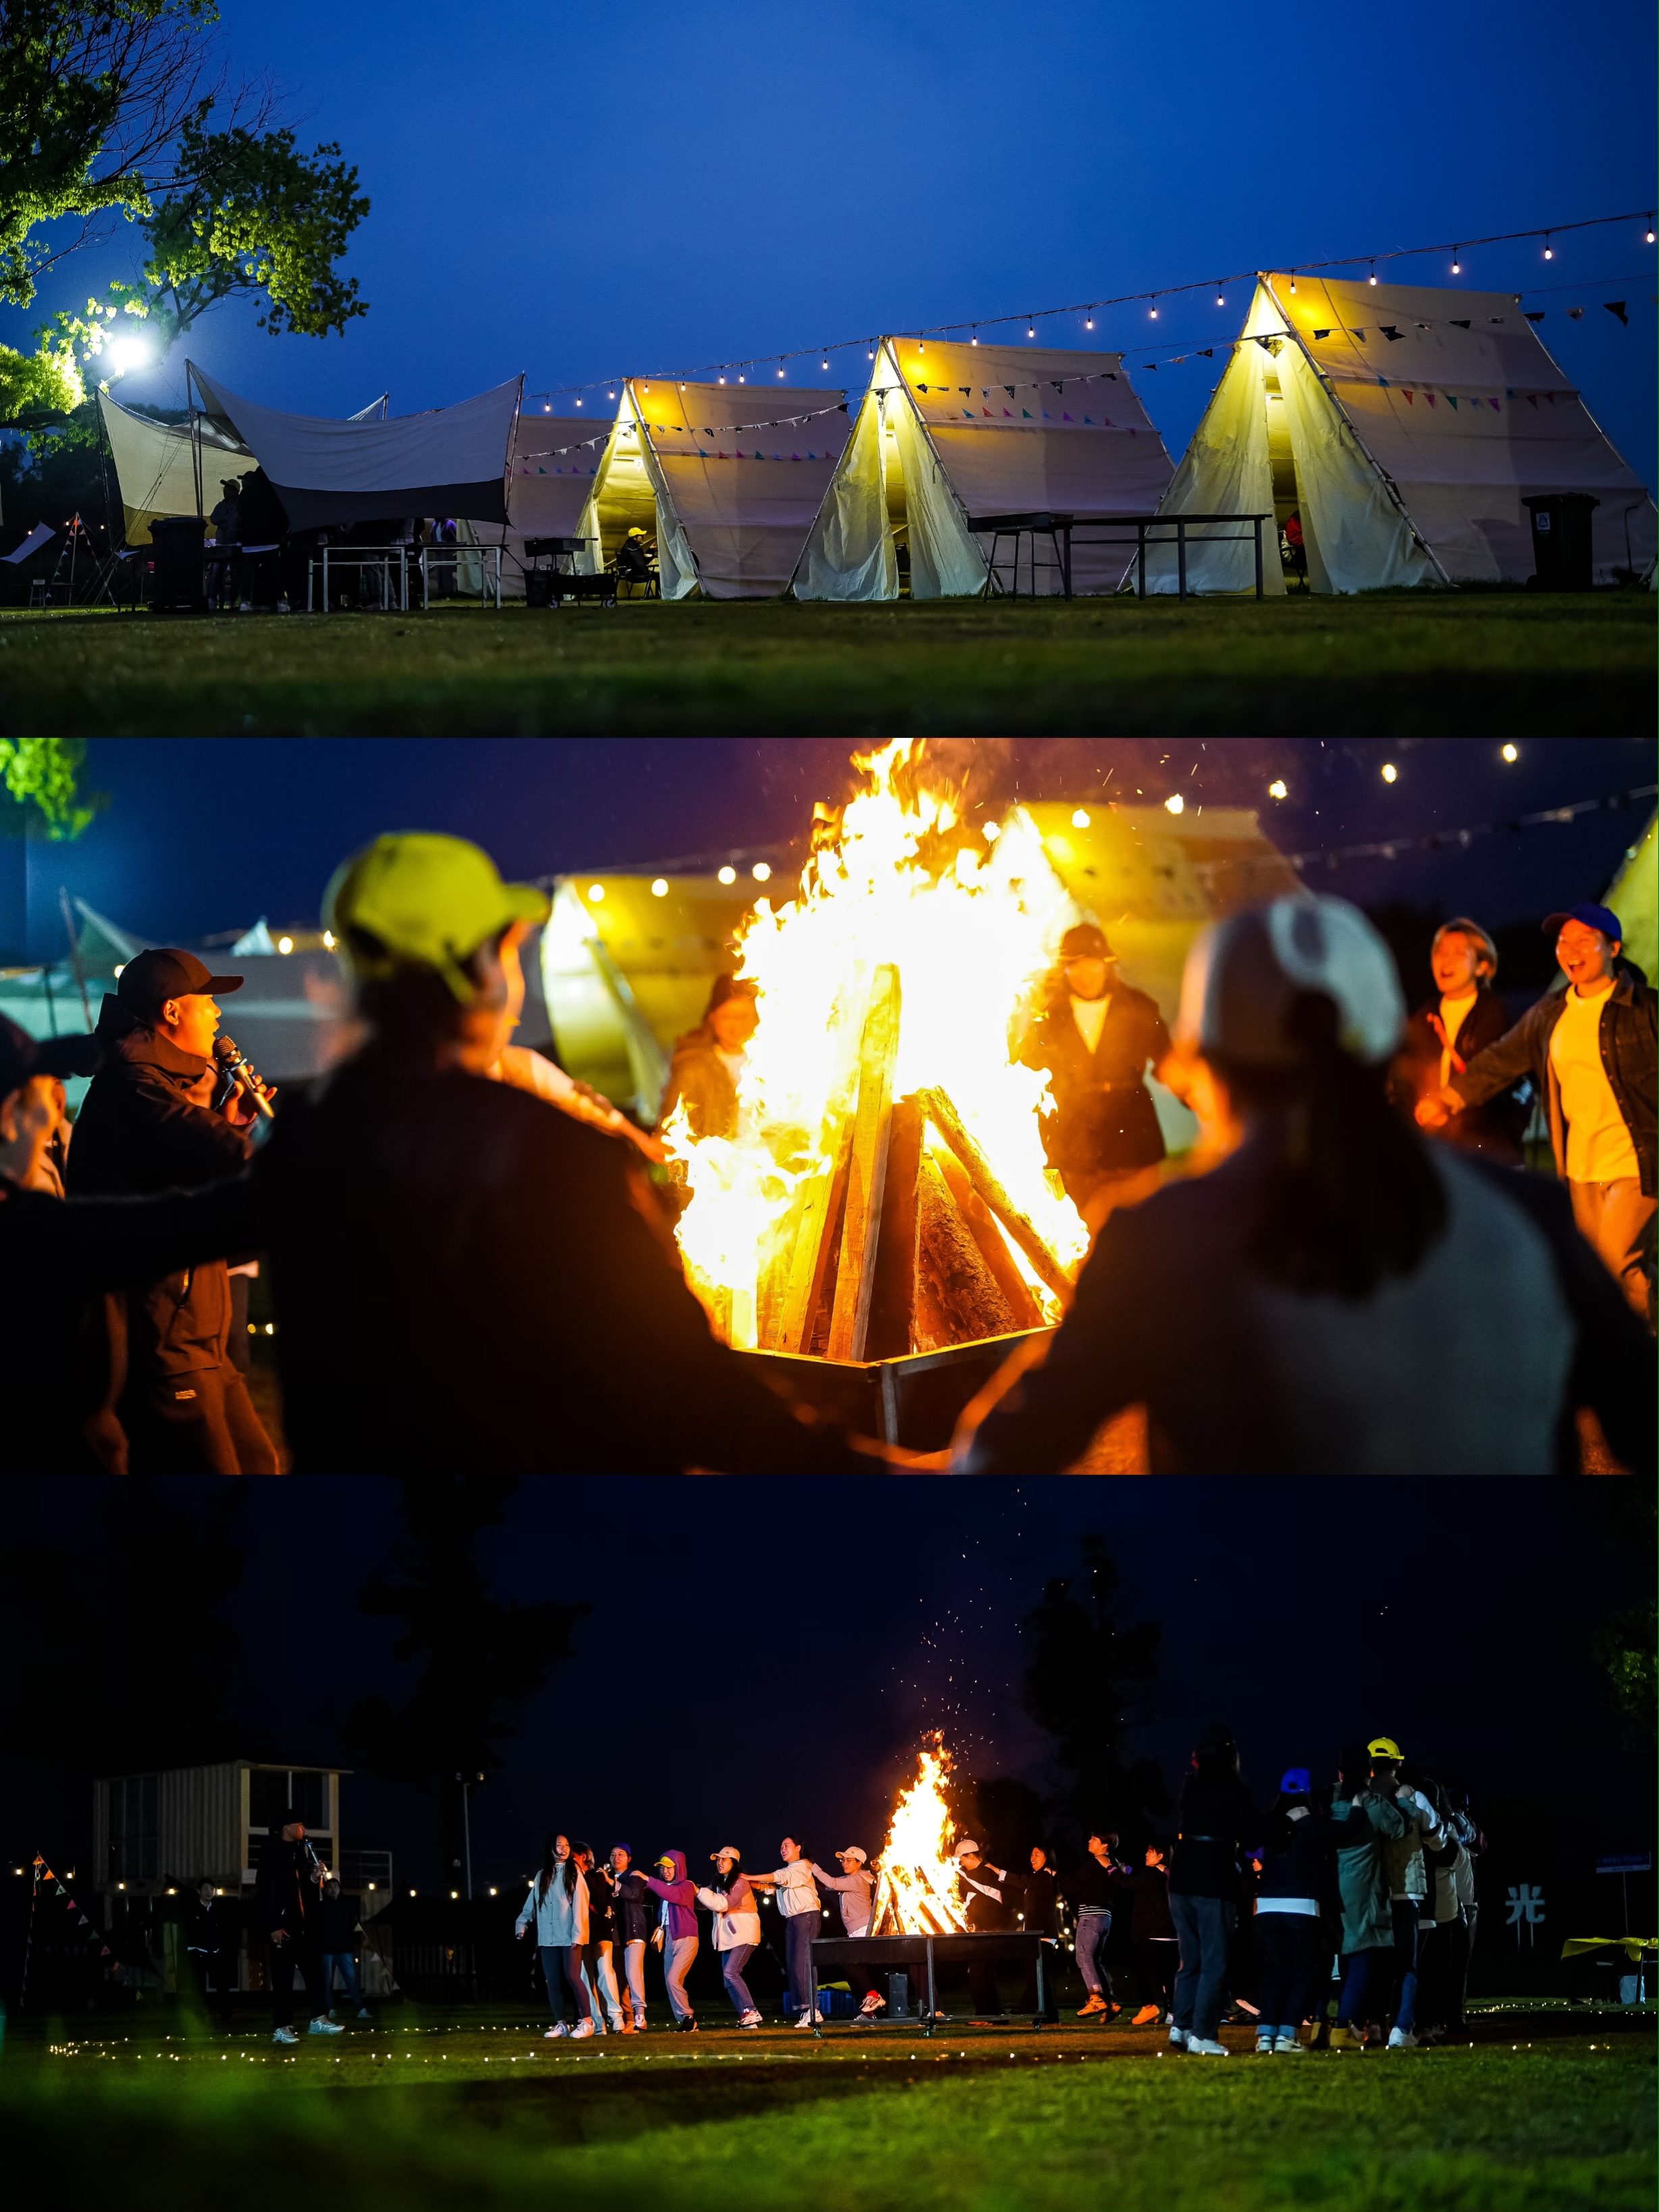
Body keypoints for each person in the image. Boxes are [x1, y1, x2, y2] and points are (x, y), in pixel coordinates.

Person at [955, 894, 1656, 1474]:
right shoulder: (1528, 1215)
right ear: (1391, 1049)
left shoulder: (1156, 1242)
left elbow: (999, 1461)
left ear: (1207, 1065)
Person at [251, 834, 874, 1473]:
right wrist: (867, 1470)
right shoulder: (547, 1152)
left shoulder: (305, 1136)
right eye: (509, 952)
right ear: (479, 973)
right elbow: (682, 1385)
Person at [0, 1016, 262, 1475]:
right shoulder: (36, 1234)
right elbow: (185, 1224)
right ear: (8, 1119)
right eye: (38, 1096)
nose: (50, 1117)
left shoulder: (36, 1227)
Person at [65, 948, 277, 1476]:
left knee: (259, 1463)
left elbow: (182, 1169)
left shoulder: (153, 1087)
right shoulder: (134, 1090)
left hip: (198, 1341)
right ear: (173, 1011)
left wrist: (226, 1124)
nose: (218, 1014)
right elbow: (233, 1158)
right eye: (207, 1001)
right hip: (165, 1344)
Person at [1423, 902, 1656, 1322]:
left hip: (1638, 1158)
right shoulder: (1549, 1014)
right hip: (1581, 1164)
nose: (1571, 950)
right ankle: (1629, 1337)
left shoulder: (1647, 1008)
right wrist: (1448, 1098)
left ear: (1613, 948)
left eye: (1584, 940)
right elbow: (1501, 1059)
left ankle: (1642, 1346)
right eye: (1564, 942)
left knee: (1617, 1261)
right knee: (1598, 1269)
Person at [1016, 922, 1171, 1231]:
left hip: (1133, 1142)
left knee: (1143, 1230)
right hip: (1074, 1146)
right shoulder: (1047, 1018)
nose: (1085, 974)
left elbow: (1170, 1062)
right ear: (1065, 969)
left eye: (1093, 964)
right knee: (1083, 1233)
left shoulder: (1138, 1007)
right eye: (1076, 966)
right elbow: (1026, 1075)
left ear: (1106, 964)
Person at [1388, 918, 1527, 1163]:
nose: (1446, 960)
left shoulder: (1493, 1012)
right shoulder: (1425, 1016)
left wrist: (1444, 1106)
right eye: (1440, 953)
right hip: (1437, 1143)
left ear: (1482, 967)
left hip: (1487, 1145)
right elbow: (1406, 1074)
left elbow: (1486, 1074)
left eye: (1458, 953)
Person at [1168, 1725, 1256, 2056]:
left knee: (1190, 1960)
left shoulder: (1191, 1785)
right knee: (1214, 1962)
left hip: (1181, 1877)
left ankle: (1180, 2026)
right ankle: (1202, 2033)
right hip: (1212, 1878)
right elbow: (1250, 1832)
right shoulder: (1231, 1786)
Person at [1365, 1739, 1444, 2051]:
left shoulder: (1362, 1796)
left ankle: (1373, 2025)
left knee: (1374, 1963)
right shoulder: (1415, 1796)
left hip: (1372, 1891)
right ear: (1398, 1763)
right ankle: (1401, 2028)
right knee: (1406, 1965)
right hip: (1408, 1890)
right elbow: (1438, 1840)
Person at [1251, 1770, 1334, 2055]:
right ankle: (1287, 2033)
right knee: (1301, 1972)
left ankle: (1266, 2034)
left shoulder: (1270, 1823)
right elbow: (1344, 1832)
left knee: (1274, 1972)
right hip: (1302, 1905)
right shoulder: (1312, 1823)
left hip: (1267, 1905)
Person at [254, 1812, 340, 2046]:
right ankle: (282, 2027)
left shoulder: (300, 1852)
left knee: (316, 1973)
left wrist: (313, 1877)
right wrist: (274, 1926)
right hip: (283, 1927)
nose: (303, 1827)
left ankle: (318, 2019)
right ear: (286, 1827)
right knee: (283, 1979)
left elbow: (305, 1890)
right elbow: (265, 1891)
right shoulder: (272, 1853)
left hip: (303, 1927)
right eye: (298, 1823)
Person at [657, 974, 760, 1142]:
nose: (737, 1025)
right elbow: (671, 1128)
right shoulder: (693, 1067)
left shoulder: (772, 1064)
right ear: (712, 1017)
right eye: (727, 1016)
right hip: (720, 1158)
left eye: (744, 1016)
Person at [515, 1833, 595, 2038]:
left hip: (570, 1936)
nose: (564, 1848)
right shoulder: (542, 1875)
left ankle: (587, 2022)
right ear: (551, 1848)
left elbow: (581, 1904)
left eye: (566, 1844)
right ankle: (561, 2025)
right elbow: (532, 1903)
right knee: (552, 1981)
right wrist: (522, 1923)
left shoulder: (574, 1872)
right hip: (548, 1938)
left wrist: (578, 1934)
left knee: (573, 1977)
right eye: (560, 1845)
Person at [745, 1837, 822, 2026]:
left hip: (806, 1916)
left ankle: (813, 2011)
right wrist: (746, 1881)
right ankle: (808, 2011)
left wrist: (749, 1877)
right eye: (781, 1847)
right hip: (792, 1920)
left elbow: (779, 1877)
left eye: (786, 1846)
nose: (782, 1849)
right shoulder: (789, 1871)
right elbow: (770, 1887)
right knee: (794, 1965)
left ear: (798, 1848)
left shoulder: (802, 1866)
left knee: (803, 1963)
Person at [812, 1845, 885, 2017]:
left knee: (847, 1962)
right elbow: (828, 1886)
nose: (844, 1863)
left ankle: (874, 1996)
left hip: (864, 1929)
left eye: (849, 1860)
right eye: (843, 1860)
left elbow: (832, 1883)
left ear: (859, 1863)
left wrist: (812, 1866)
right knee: (852, 1975)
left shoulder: (860, 1878)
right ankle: (869, 2015)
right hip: (855, 1931)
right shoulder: (850, 1879)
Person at [696, 1847, 765, 2028]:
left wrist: (698, 1891)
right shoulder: (720, 1883)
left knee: (731, 1972)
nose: (719, 1863)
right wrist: (688, 1895)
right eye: (718, 1860)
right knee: (728, 1980)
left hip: (745, 1934)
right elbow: (706, 1902)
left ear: (734, 1863)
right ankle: (747, 2018)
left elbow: (724, 1904)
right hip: (730, 1937)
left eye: (724, 1860)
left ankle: (752, 2011)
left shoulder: (740, 1881)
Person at [1113, 1845, 1178, 2026]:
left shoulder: (1151, 1874)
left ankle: (1148, 2005)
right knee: (1167, 1976)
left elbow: (1126, 1883)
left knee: (1137, 1966)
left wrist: (1110, 1868)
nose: (1146, 1854)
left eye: (1150, 1852)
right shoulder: (1168, 1874)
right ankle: (1172, 2014)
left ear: (1160, 1855)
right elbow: (1136, 1877)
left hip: (1153, 1932)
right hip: (1171, 1932)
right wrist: (1123, 1867)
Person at [1063, 1832, 1122, 2020]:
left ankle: (1096, 1998)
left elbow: (1073, 1884)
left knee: (1083, 1957)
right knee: (1095, 1960)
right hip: (1105, 1917)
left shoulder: (1095, 1862)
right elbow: (1128, 1872)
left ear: (1105, 1844)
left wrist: (1055, 1875)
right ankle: (1110, 2002)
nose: (1089, 1841)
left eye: (1094, 1839)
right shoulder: (1113, 1862)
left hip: (1091, 1916)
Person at [641, 1850, 700, 2030]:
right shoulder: (664, 1888)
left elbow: (675, 1896)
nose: (665, 1871)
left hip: (687, 1938)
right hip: (669, 1939)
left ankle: (688, 2016)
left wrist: (648, 1879)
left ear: (678, 1867)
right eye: (662, 1868)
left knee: (673, 1978)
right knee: (670, 1980)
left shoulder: (687, 1886)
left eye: (669, 1867)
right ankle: (685, 2020)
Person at [951, 1839, 1008, 2020]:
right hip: (983, 1931)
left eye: (962, 1859)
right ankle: (997, 2014)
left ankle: (984, 2015)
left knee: (978, 1974)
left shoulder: (984, 1873)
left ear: (970, 1856)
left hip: (988, 1931)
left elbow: (972, 1884)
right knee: (986, 1974)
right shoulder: (975, 1875)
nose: (961, 1863)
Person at [574, 1843, 626, 2032]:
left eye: (574, 1857)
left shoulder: (596, 1875)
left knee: (606, 1973)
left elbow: (603, 1900)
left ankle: (616, 2016)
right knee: (585, 1979)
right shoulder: (570, 1879)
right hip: (580, 1935)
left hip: (601, 1932)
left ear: (584, 1856)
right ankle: (597, 2022)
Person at [1011, 1845, 1061, 2022]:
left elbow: (1021, 1881)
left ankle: (1045, 2012)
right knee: (1035, 1973)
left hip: (1044, 1934)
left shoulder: (1045, 1875)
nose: (1033, 1857)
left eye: (1037, 1854)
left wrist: (997, 1872)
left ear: (1047, 1857)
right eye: (1032, 1854)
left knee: (1036, 1973)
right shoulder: (1038, 1877)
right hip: (1036, 1934)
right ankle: (1038, 2009)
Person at [608, 1845, 656, 2031]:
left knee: (634, 1973)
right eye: (613, 1854)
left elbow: (634, 1894)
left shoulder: (634, 1876)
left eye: (621, 1854)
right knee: (619, 1977)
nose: (616, 1858)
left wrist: (612, 1884)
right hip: (615, 1933)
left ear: (629, 1858)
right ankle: (625, 2017)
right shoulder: (609, 1877)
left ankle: (640, 2016)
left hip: (633, 1930)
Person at [315, 1877, 371, 2022]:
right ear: (326, 1890)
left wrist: (359, 1940)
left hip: (345, 1948)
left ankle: (360, 2009)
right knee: (327, 1982)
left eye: (336, 1887)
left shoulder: (347, 1904)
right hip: (326, 1949)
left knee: (351, 1979)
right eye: (330, 1887)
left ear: (340, 1889)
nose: (333, 1890)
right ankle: (330, 2009)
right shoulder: (321, 1906)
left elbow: (355, 1923)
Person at [182, 1878, 235, 2025]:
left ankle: (226, 2015)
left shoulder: (218, 1909)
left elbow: (224, 1928)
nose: (209, 1892)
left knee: (222, 1984)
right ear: (199, 1891)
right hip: (198, 1951)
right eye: (205, 1889)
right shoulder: (192, 1908)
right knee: (199, 1985)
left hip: (215, 1951)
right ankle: (198, 2014)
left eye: (211, 1889)